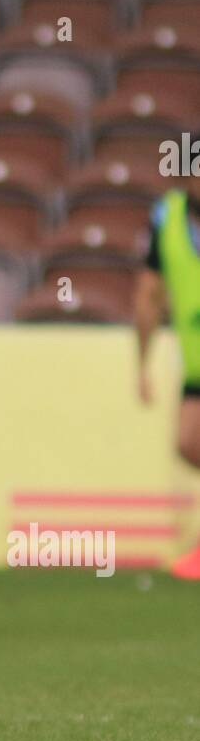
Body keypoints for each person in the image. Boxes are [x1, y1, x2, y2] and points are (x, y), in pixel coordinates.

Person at [134, 152, 200, 579]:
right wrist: (141, 363)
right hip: (195, 362)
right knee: (189, 441)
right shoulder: (169, 217)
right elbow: (149, 291)